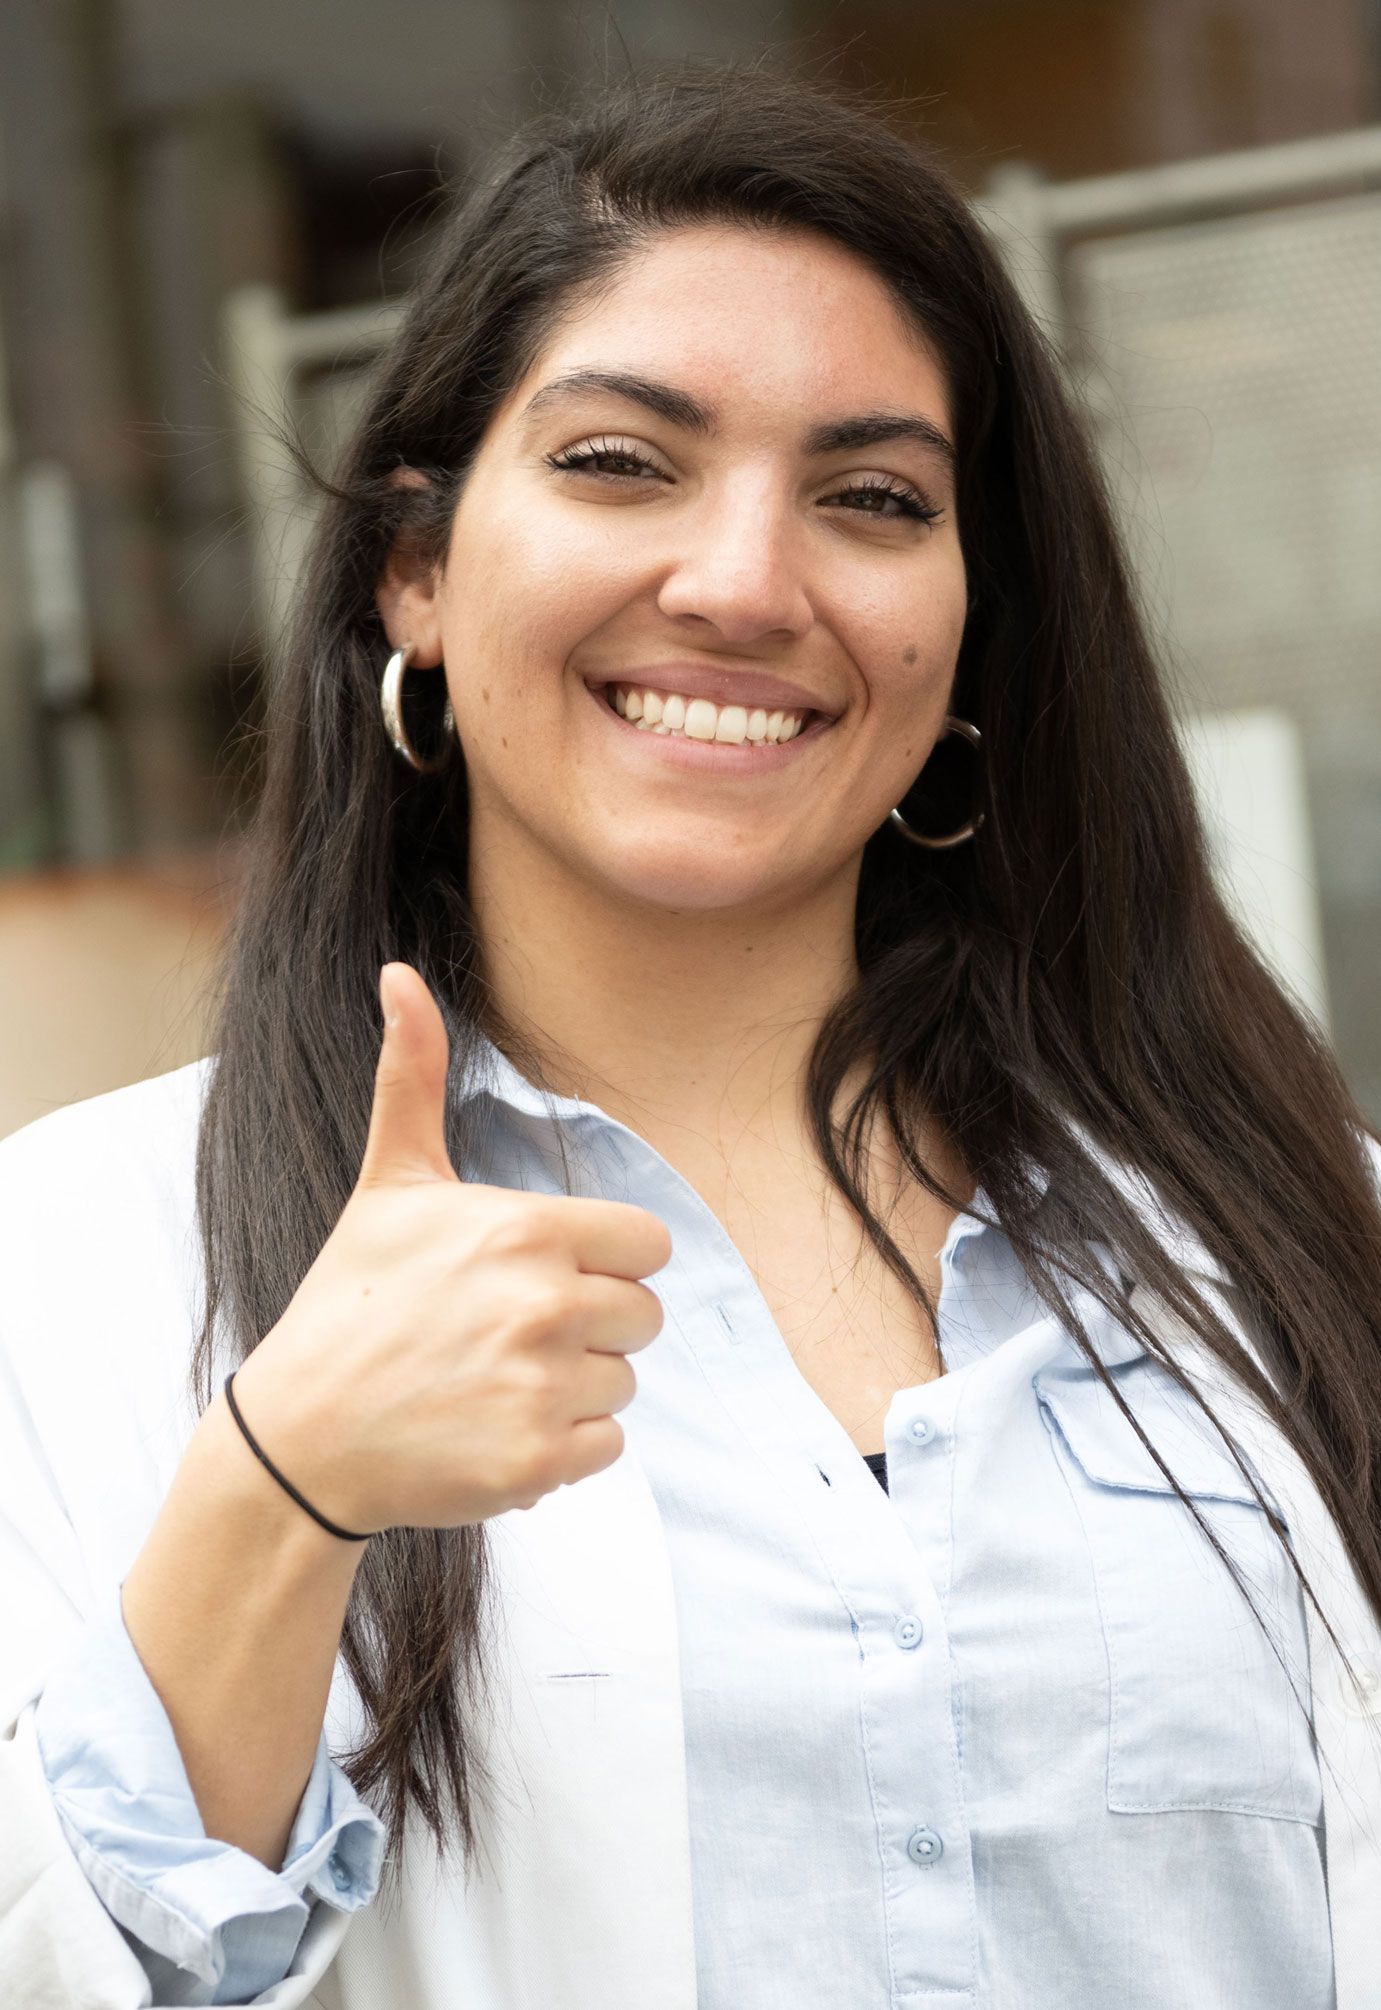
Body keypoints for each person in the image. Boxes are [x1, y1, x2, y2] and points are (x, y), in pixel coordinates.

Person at [3, 56, 1381, 2010]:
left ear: (970, 621)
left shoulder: (1305, 1241)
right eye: (618, 463)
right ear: (412, 566)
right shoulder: (73, 1265)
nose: (741, 581)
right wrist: (280, 1487)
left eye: (872, 498)